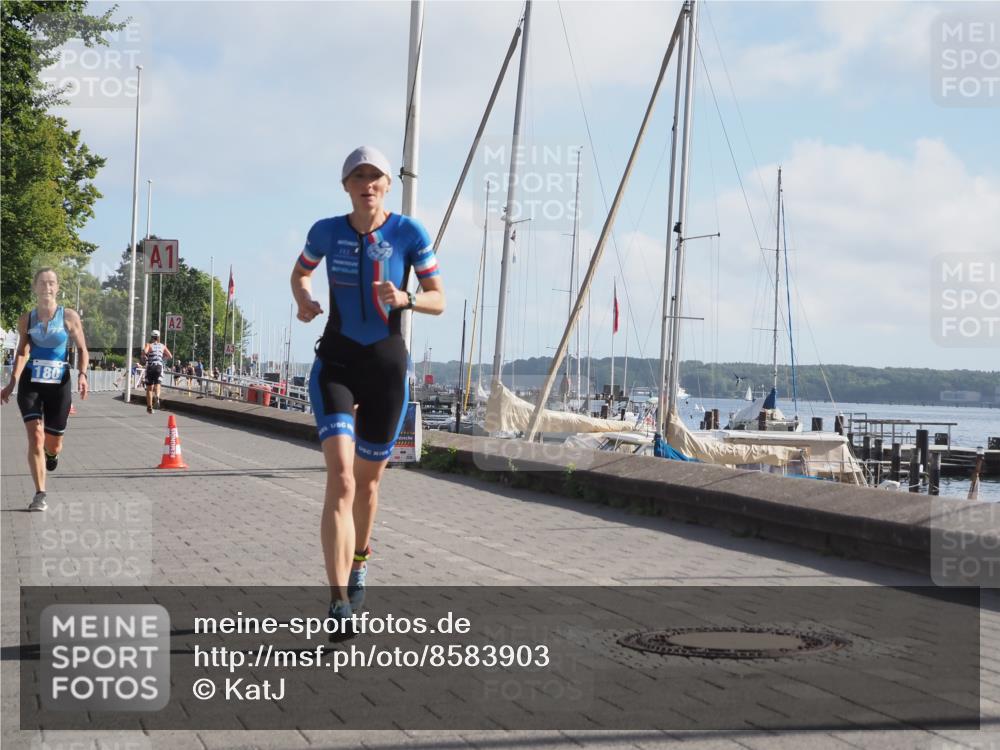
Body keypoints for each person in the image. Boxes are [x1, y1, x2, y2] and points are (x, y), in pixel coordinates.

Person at [291, 146, 445, 637]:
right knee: (340, 479)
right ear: (346, 186)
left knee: (369, 483)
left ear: (386, 186)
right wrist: (303, 300)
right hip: (336, 362)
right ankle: (338, 601)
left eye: (376, 177)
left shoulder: (409, 232)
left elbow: (440, 298)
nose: (368, 184)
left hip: (385, 365)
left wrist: (408, 298)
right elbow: (300, 272)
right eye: (359, 177)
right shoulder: (325, 231)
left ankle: (360, 559)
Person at [1, 268, 89, 511]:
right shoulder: (26, 319)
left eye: (51, 283)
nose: (47, 287)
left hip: (59, 383)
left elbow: (82, 349)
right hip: (32, 381)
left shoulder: (69, 317)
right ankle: (40, 493)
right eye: (42, 283)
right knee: (35, 437)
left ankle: (52, 455)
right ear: (35, 287)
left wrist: (82, 375)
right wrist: (11, 383)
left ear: (57, 288)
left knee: (53, 444)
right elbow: (22, 352)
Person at [140, 330, 172, 413]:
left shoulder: (149, 345)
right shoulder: (162, 346)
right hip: (159, 366)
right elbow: (170, 356)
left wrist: (144, 356)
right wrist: (162, 357)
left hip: (151, 366)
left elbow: (145, 352)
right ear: (158, 337)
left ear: (151, 337)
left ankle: (149, 407)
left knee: (149, 388)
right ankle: (157, 396)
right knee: (158, 384)